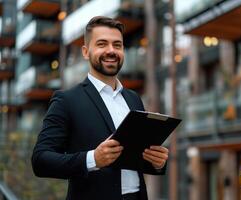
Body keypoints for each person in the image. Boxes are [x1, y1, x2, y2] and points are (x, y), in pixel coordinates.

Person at [31, 16, 169, 200]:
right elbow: (40, 160)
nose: (111, 51)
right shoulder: (66, 100)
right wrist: (93, 159)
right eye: (102, 44)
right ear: (86, 51)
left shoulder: (133, 99)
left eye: (117, 45)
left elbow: (135, 158)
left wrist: (157, 162)